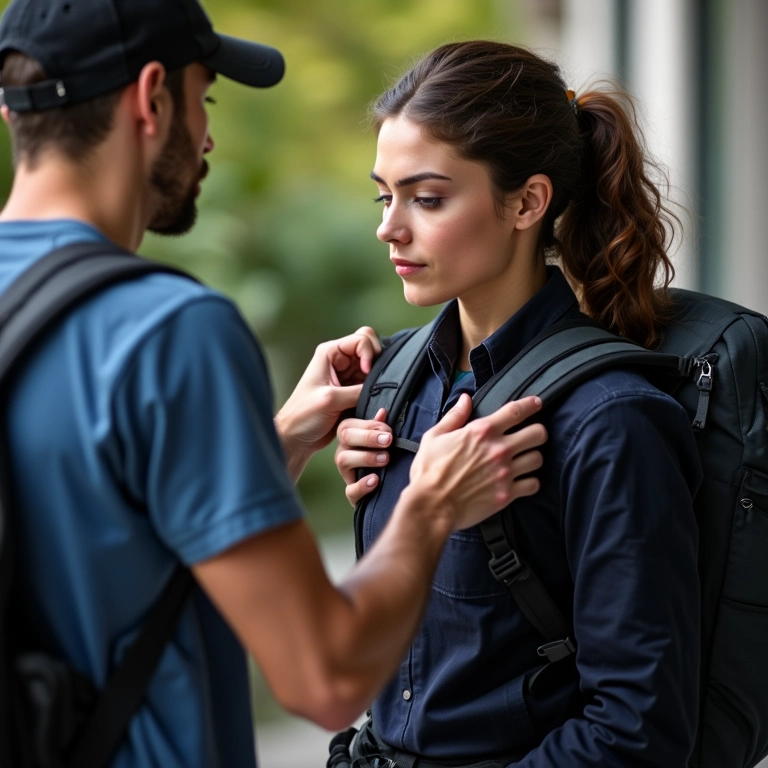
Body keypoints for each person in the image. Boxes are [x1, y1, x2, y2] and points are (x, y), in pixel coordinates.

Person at [0, 6, 550, 768]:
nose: (208, 136)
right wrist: (431, 507)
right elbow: (325, 676)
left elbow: (91, 538)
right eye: (206, 100)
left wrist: (277, 439)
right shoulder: (166, 331)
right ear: (152, 98)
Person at [332, 41, 703, 767]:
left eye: (427, 198)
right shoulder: (394, 383)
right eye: (385, 195)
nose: (389, 227)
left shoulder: (612, 422)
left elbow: (636, 732)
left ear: (527, 201)